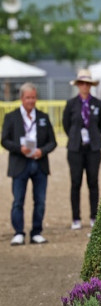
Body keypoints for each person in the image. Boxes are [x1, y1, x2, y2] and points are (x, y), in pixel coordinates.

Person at [1, 83, 58, 245]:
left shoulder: (43, 117)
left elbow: (53, 142)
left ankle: (36, 232)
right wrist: (20, 149)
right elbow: (4, 140)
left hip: (39, 164)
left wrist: (42, 151)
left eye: (33, 97)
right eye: (28, 98)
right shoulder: (11, 118)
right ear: (21, 98)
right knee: (18, 200)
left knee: (40, 201)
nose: (30, 101)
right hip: (20, 164)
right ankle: (18, 232)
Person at [62, 69, 101, 230]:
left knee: (93, 182)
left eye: (87, 84)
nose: (84, 86)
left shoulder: (97, 104)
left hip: (93, 148)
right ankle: (76, 217)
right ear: (78, 85)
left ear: (90, 85)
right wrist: (76, 137)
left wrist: (92, 136)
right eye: (82, 83)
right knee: (75, 182)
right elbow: (66, 125)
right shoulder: (71, 104)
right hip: (75, 148)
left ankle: (94, 216)